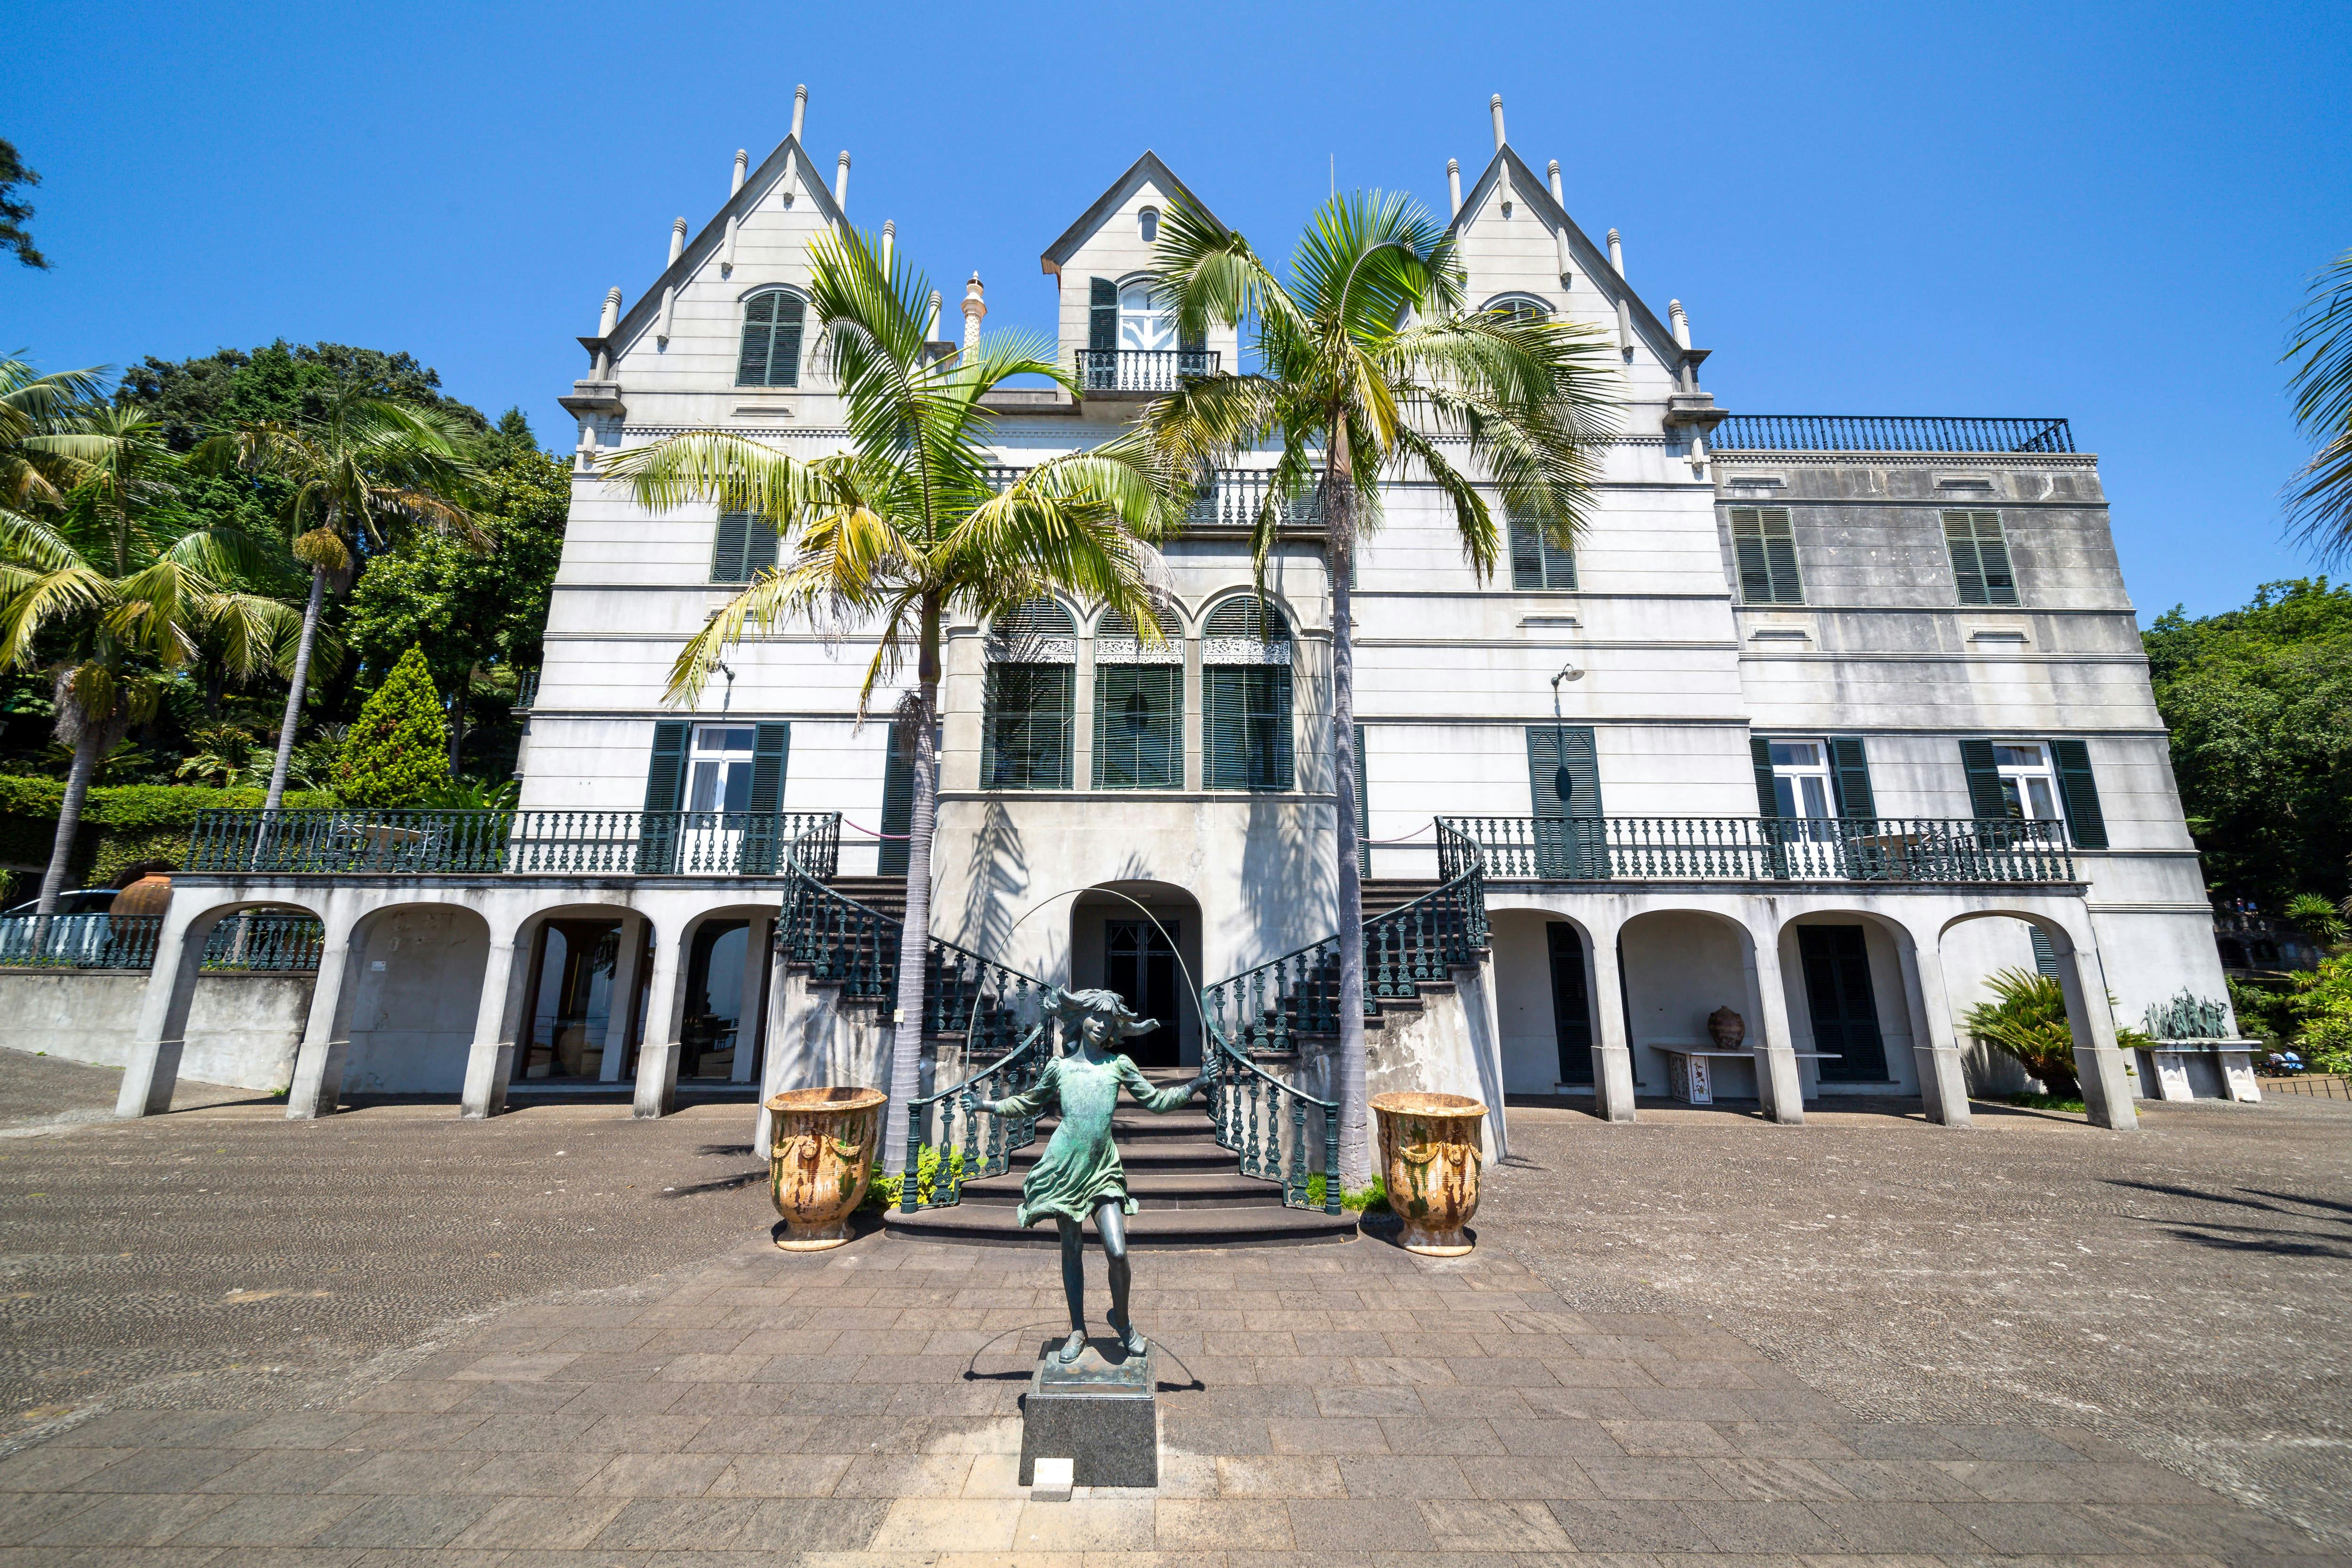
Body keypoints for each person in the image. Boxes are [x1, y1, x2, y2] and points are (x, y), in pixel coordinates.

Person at [985, 987, 1211, 1364]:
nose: (1102, 1024)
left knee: (1117, 1251)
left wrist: (1195, 1084)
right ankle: (1078, 1328)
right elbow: (1028, 1102)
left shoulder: (1118, 1064)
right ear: (1079, 1018)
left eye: (1109, 1018)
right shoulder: (1059, 1067)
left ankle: (1121, 1321)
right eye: (1096, 1016)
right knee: (1071, 1250)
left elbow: (1155, 1101)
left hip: (1103, 1168)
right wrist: (988, 1104)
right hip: (1065, 1167)